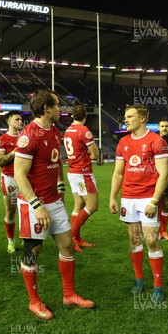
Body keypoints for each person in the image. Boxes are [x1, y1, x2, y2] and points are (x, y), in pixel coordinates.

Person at [14, 89, 95, 320]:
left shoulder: (55, 131)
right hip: (33, 203)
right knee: (33, 252)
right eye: (57, 105)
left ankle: (69, 295)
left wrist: (61, 185)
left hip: (53, 200)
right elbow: (19, 174)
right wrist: (36, 205)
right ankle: (34, 301)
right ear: (46, 108)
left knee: (67, 245)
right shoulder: (29, 135)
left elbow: (56, 159)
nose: (61, 109)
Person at [109, 104, 168, 303]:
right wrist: (112, 197)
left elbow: (164, 174)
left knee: (152, 240)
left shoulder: (157, 141)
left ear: (143, 118)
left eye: (130, 116)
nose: (125, 120)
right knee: (134, 240)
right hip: (128, 198)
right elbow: (118, 173)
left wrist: (154, 200)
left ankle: (158, 286)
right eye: (125, 116)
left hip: (148, 198)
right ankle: (139, 279)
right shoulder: (123, 142)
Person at [63, 104, 99, 251]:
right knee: (92, 205)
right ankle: (71, 237)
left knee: (79, 205)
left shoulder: (67, 131)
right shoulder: (83, 130)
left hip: (72, 171)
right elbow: (96, 155)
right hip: (83, 172)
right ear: (85, 117)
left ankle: (77, 239)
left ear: (72, 116)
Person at [0, 111, 24, 253]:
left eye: (21, 119)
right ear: (9, 122)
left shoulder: (26, 138)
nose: (20, 122)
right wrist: (14, 152)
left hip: (25, 179)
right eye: (17, 119)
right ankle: (11, 242)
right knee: (10, 211)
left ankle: (26, 237)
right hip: (10, 179)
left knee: (26, 210)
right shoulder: (2, 139)